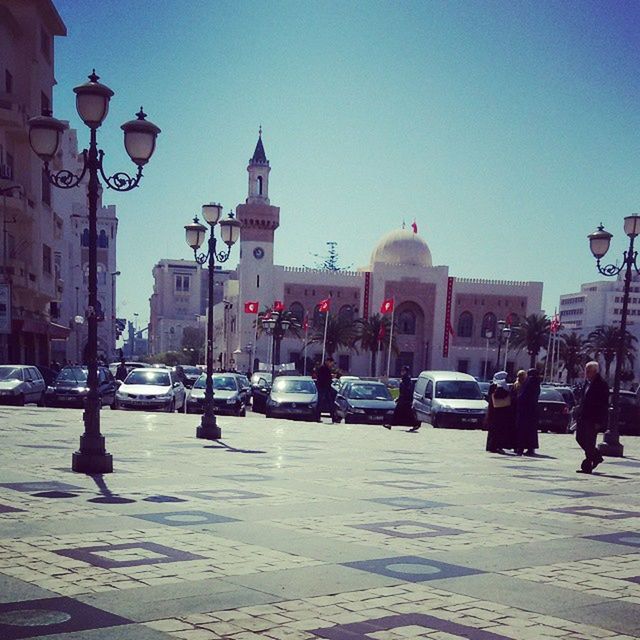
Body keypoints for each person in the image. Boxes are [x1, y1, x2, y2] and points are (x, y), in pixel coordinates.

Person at [574, 361, 608, 473]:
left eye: (588, 371)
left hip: (593, 418)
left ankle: (588, 465)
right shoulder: (586, 383)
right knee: (579, 438)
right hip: (583, 417)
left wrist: (599, 421)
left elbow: (603, 404)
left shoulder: (601, 384)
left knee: (589, 441)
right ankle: (597, 456)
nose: (586, 373)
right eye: (586, 370)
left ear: (595, 371)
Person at [485, 371, 515, 453]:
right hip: (500, 411)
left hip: (492, 411)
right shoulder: (502, 386)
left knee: (492, 431)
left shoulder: (492, 385)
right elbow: (501, 396)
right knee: (499, 430)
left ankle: (491, 446)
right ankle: (497, 447)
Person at [515, 368, 540, 455]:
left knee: (522, 430)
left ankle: (520, 448)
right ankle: (530, 448)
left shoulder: (529, 382)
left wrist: (518, 399)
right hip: (533, 410)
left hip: (525, 410)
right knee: (531, 431)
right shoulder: (537, 383)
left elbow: (524, 395)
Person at [388, 366, 420, 430]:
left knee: (403, 412)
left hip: (405, 399)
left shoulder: (407, 379)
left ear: (406, 372)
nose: (401, 372)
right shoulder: (405, 379)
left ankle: (390, 424)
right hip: (403, 399)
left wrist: (404, 398)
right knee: (402, 412)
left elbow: (407, 390)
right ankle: (390, 424)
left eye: (403, 371)